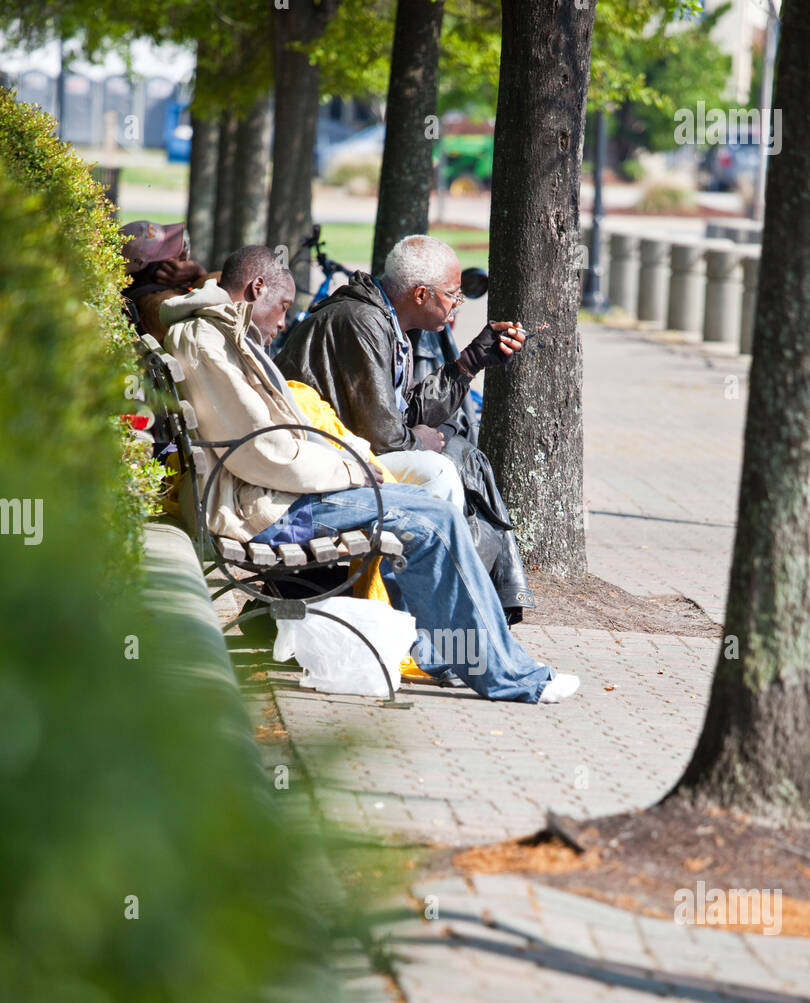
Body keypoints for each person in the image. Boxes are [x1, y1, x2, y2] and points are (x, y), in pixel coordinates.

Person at [159, 245, 579, 705]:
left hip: (279, 495)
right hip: (271, 509)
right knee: (431, 523)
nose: (283, 324)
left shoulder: (221, 334)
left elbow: (275, 441)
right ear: (256, 289)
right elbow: (266, 452)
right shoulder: (210, 340)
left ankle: (461, 657)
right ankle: (510, 676)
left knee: (436, 512)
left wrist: (355, 460)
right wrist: (352, 469)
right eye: (281, 309)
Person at [274, 234, 536, 622]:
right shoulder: (362, 321)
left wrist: (470, 362)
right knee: (440, 469)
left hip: (342, 459)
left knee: (456, 454)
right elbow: (384, 436)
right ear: (420, 295)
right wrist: (422, 441)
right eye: (452, 295)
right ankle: (432, 615)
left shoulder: (384, 321)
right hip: (322, 470)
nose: (456, 305)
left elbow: (402, 409)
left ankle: (443, 608)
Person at [121, 221, 217, 344]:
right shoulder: (163, 305)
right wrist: (201, 275)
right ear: (160, 269)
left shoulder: (149, 297)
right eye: (174, 251)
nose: (184, 254)